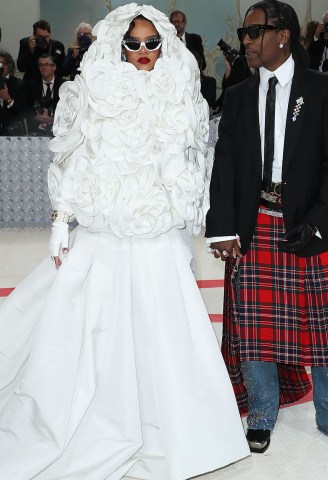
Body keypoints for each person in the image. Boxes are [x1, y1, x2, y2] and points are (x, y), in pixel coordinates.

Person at [0, 4, 249, 479]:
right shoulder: (93, 92)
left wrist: (188, 214)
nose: (141, 52)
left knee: (165, 330)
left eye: (150, 43)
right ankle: (104, 421)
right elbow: (73, 157)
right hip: (106, 234)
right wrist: (60, 220)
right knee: (98, 331)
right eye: (131, 43)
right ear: (118, 45)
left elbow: (194, 164)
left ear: (164, 45)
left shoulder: (182, 94)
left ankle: (174, 430)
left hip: (159, 236)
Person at [206, 0, 328, 459]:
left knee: (326, 326)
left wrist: (317, 220)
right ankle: (261, 415)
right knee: (256, 325)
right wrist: (221, 227)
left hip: (308, 223)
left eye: (255, 31)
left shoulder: (322, 88)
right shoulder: (237, 95)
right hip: (254, 223)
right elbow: (225, 167)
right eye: (244, 32)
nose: (246, 41)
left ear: (284, 34)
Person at [27, 54, 66, 135]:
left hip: (59, 130)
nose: (43, 68)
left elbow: (68, 112)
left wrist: (51, 119)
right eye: (41, 65)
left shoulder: (64, 85)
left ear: (54, 67)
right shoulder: (31, 86)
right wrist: (37, 117)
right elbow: (27, 109)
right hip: (36, 130)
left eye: (46, 65)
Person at [0, 50, 27, 135]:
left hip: (12, 133)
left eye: (1, 64)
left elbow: (23, 112)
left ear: (8, 65)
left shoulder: (19, 84)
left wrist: (8, 99)